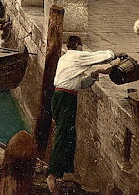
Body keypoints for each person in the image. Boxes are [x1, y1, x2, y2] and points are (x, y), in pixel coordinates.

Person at [46, 36, 125, 194]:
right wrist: (115, 55)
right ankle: (52, 175)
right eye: (81, 46)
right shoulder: (75, 55)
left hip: (64, 97)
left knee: (69, 134)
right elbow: (97, 57)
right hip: (65, 98)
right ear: (77, 46)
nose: (83, 49)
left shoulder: (66, 60)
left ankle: (64, 173)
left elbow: (80, 84)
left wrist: (95, 75)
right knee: (63, 134)